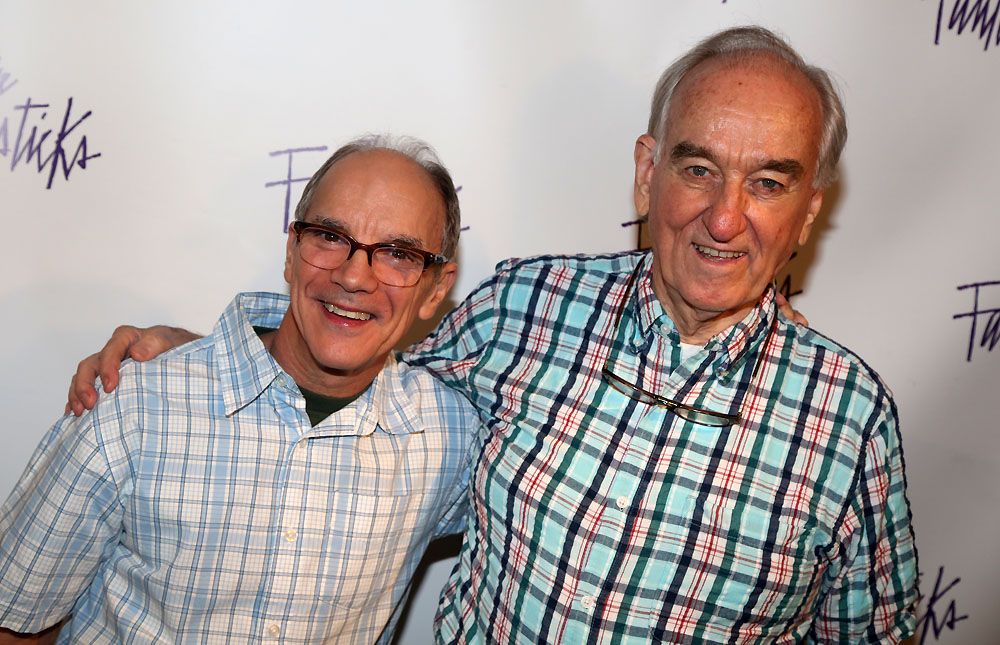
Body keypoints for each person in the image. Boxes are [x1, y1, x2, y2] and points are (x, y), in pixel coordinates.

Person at [60, 26, 919, 644]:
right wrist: (211, 350)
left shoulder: (850, 420)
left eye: (768, 183)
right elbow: (355, 355)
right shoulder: (525, 305)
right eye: (698, 168)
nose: (725, 217)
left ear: (809, 211)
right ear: (646, 172)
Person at [0, 135, 483, 644]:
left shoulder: (451, 439)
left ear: (436, 287)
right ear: (292, 251)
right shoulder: (134, 404)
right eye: (330, 236)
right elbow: (16, 622)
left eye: (398, 253)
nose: (354, 276)